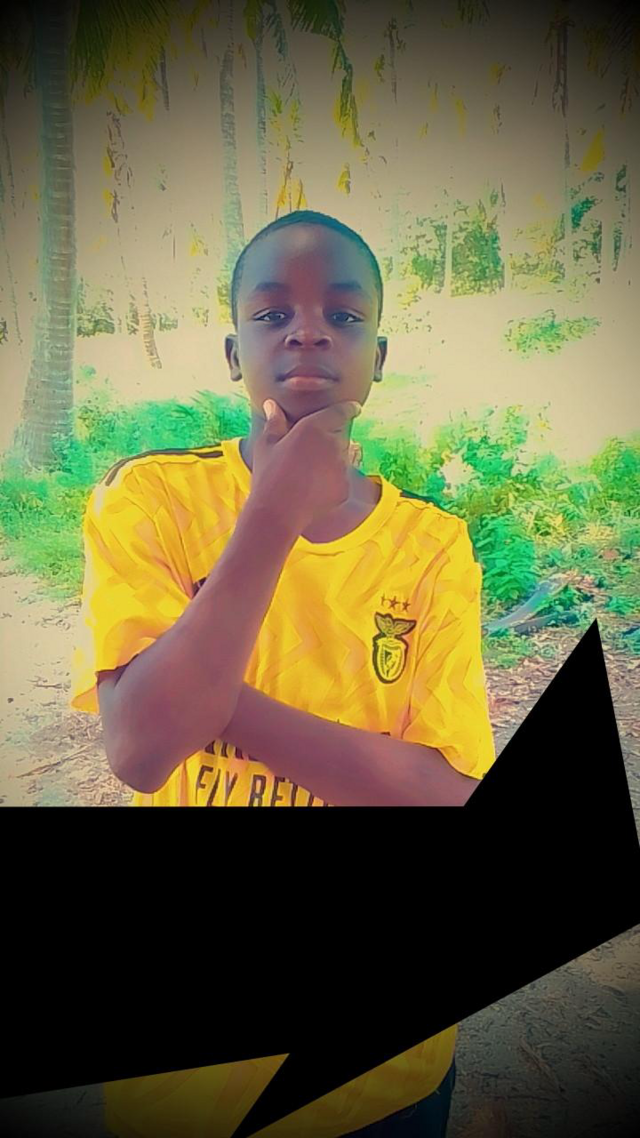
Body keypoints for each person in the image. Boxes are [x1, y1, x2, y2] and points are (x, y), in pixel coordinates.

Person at [69, 209, 496, 1135]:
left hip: (388, 1075)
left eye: (343, 315)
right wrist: (272, 515)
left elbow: (446, 796)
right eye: (272, 314)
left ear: (378, 356)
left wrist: (201, 694)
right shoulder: (151, 499)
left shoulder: (432, 545)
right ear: (234, 353)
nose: (307, 331)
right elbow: (142, 750)